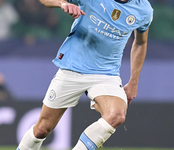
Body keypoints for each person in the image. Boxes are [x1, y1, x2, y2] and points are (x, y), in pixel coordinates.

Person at [17, 0, 153, 149]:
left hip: (106, 74)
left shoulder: (143, 9)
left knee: (117, 115)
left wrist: (134, 81)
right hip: (73, 68)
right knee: (43, 129)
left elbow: (140, 43)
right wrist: (62, 4)